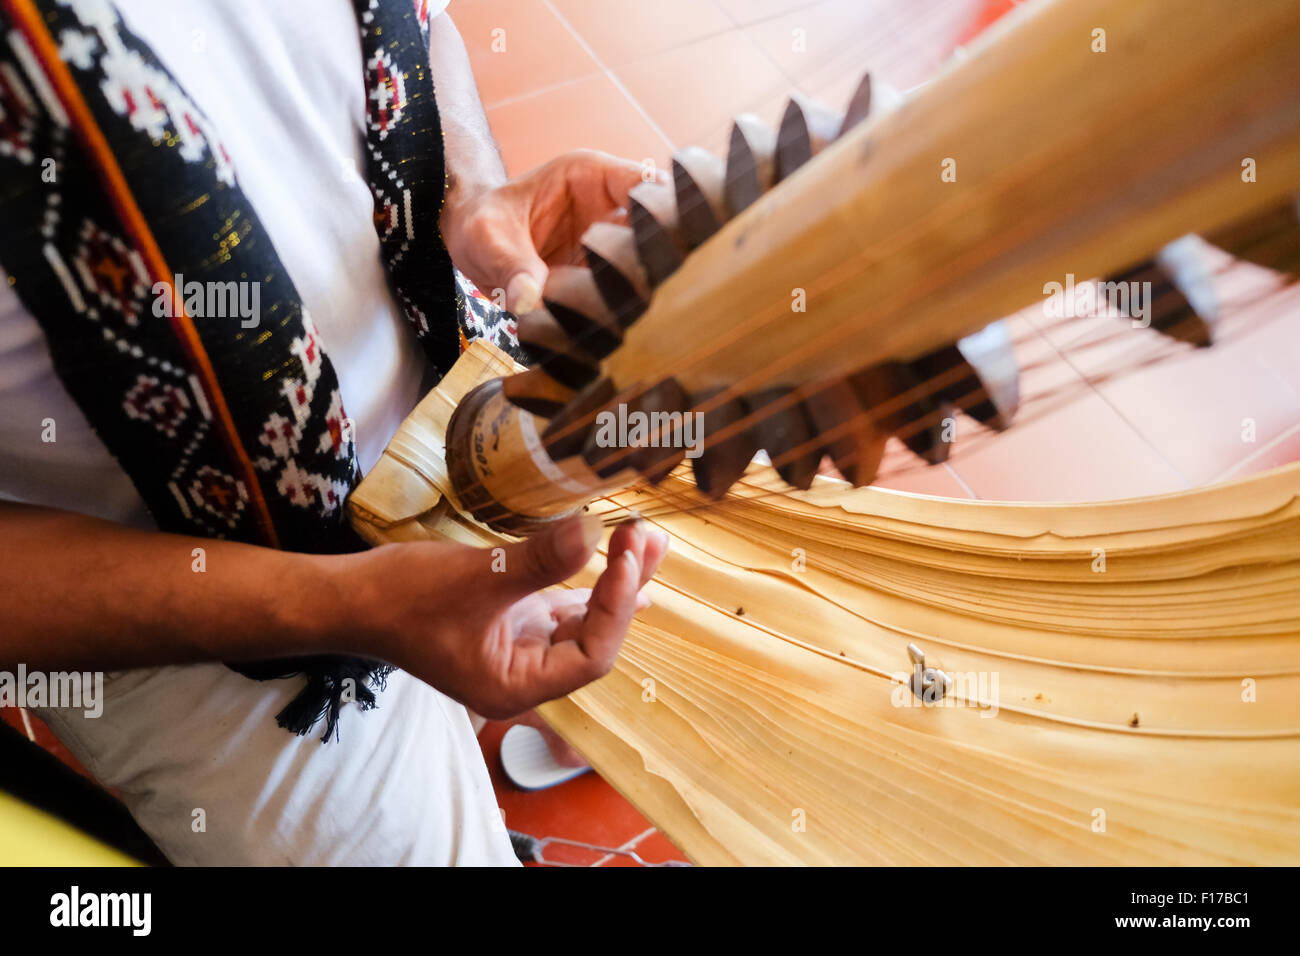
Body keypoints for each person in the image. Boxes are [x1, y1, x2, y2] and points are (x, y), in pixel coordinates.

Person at [0, 0, 666, 865]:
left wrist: (469, 189)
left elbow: (424, 25)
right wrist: (354, 606)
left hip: (448, 405)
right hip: (214, 624)